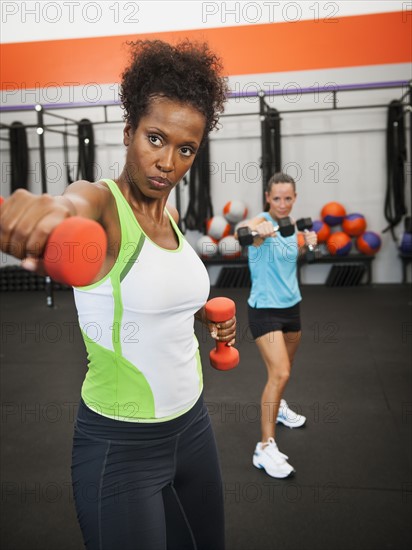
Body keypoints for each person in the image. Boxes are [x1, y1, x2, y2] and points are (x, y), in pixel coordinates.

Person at [0, 40, 236, 550]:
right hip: (121, 446)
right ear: (128, 132)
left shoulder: (169, 215)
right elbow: (72, 202)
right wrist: (49, 213)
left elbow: (157, 295)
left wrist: (205, 317)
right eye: (155, 138)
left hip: (194, 429)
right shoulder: (104, 205)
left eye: (185, 148)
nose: (167, 161)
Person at [236, 172, 317, 479]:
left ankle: (279, 406)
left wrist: (306, 244)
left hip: (291, 307)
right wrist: (257, 229)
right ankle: (264, 447)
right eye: (276, 198)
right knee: (279, 372)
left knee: (287, 368)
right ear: (267, 198)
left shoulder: (292, 226)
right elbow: (242, 233)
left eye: (288, 198)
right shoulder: (261, 223)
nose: (282, 204)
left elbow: (288, 257)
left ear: (294, 198)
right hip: (264, 310)